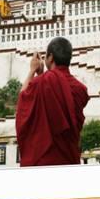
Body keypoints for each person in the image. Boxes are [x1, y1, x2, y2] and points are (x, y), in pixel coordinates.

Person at [15, 37, 89, 166]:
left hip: (44, 163)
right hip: (68, 161)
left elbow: (23, 99)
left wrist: (33, 70)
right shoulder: (80, 89)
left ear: (50, 57)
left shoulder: (42, 82)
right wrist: (41, 74)